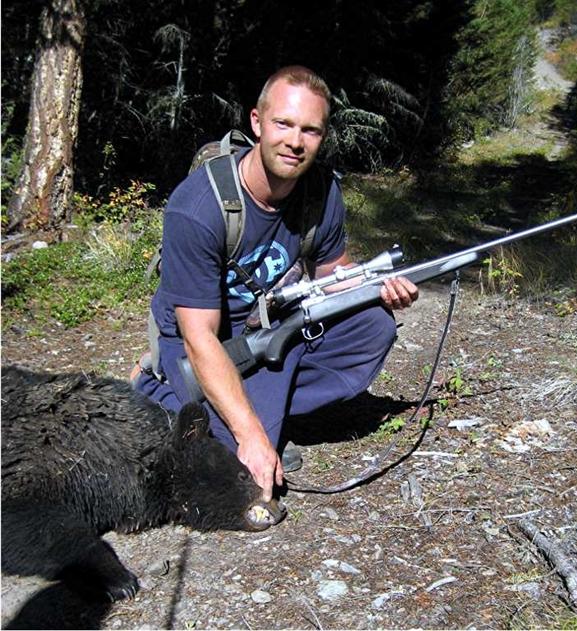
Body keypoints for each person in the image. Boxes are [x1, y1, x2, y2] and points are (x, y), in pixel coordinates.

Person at [133, 66, 418, 502]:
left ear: (322, 137)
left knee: (372, 325)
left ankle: (264, 406)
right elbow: (198, 337)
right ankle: (156, 391)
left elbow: (330, 273)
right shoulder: (198, 207)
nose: (295, 141)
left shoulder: (322, 192)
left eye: (311, 130)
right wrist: (250, 435)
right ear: (257, 122)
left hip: (267, 327)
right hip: (200, 340)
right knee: (236, 466)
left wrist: (376, 286)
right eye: (283, 123)